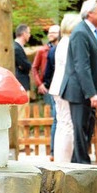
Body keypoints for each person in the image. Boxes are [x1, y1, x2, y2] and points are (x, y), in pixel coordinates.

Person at [59, 0, 97, 164]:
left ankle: (78, 163)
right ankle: (81, 165)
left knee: (86, 129)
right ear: (89, 13)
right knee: (80, 130)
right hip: (79, 91)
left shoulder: (91, 32)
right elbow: (81, 65)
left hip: (86, 91)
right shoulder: (80, 33)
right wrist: (91, 92)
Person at [49, 14, 82, 163]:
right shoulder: (70, 42)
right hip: (64, 87)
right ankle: (64, 160)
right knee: (67, 124)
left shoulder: (62, 42)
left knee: (62, 123)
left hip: (58, 86)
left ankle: (61, 159)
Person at [32, 25, 60, 158]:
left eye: (54, 32)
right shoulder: (43, 50)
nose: (51, 34)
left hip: (61, 86)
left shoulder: (62, 48)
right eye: (49, 32)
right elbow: (34, 68)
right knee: (55, 117)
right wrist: (40, 84)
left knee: (58, 117)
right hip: (49, 87)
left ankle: (57, 149)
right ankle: (53, 151)